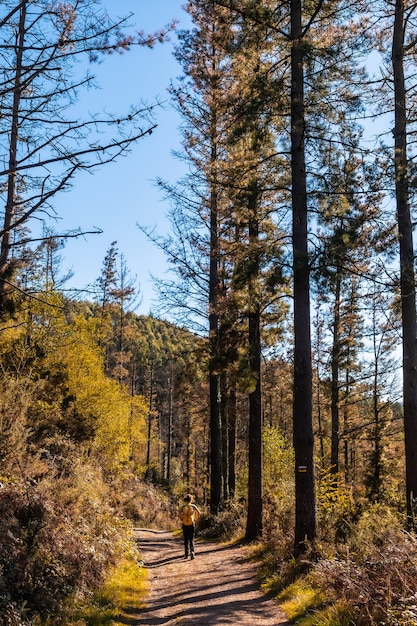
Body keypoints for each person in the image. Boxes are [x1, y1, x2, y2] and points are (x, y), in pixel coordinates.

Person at [179, 493, 200, 559]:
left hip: (185, 524)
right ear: (191, 499)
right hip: (191, 524)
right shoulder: (193, 506)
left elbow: (179, 514)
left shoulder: (183, 507)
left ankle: (186, 554)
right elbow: (199, 513)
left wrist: (182, 519)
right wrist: (195, 519)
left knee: (186, 539)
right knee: (191, 539)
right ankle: (192, 551)